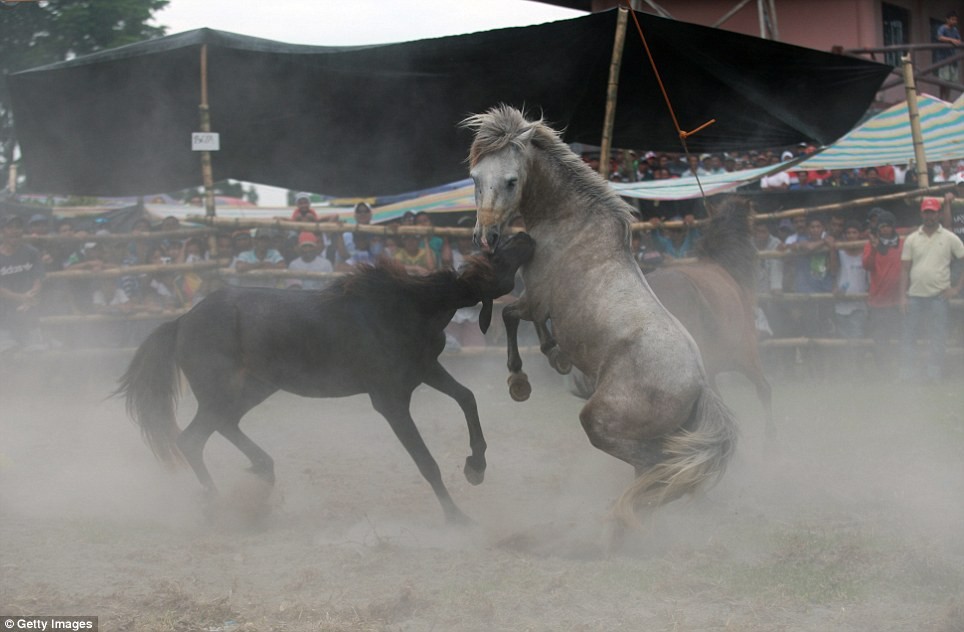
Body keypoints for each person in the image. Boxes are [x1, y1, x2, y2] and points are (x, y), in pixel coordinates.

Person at [898, 197, 964, 381]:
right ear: (921, 214)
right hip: (915, 295)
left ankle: (934, 372)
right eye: (927, 212)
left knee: (938, 336)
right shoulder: (912, 239)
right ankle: (907, 372)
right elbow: (904, 269)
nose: (930, 216)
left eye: (933, 212)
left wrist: (956, 288)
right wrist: (902, 296)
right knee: (908, 335)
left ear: (939, 214)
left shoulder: (950, 237)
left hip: (939, 296)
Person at [862, 210, 903, 375]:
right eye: (882, 226)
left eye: (888, 226)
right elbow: (867, 265)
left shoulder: (902, 243)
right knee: (880, 339)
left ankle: (900, 369)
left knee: (900, 337)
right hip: (878, 301)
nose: (885, 229)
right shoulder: (871, 244)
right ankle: (883, 371)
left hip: (897, 300)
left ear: (894, 227)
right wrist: (873, 248)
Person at [0, 215, 45, 352]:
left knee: (34, 354)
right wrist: (20, 297)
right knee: (6, 355)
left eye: (18, 227)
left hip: (28, 314)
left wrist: (31, 296)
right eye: (10, 227)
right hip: (3, 315)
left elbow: (38, 278)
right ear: (2, 231)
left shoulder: (31, 252)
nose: (15, 231)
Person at [830, 220, 869, 341]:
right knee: (842, 340)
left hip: (859, 305)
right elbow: (833, 271)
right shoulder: (840, 252)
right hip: (841, 303)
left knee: (856, 338)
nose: (851, 235)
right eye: (848, 233)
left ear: (860, 235)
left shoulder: (866, 253)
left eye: (854, 232)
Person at [752, 220, 784, 338]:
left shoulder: (776, 243)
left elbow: (777, 266)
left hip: (771, 291)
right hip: (754, 290)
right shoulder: (749, 244)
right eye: (758, 232)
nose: (760, 235)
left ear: (769, 232)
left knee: (774, 322)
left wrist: (776, 287)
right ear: (754, 233)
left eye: (763, 232)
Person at [935, 11, 961, 101]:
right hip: (943, 58)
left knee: (950, 80)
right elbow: (939, 37)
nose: (954, 22)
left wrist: (956, 41)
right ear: (947, 19)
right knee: (943, 80)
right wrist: (951, 40)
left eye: (955, 20)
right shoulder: (943, 28)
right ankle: (941, 98)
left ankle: (947, 99)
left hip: (952, 59)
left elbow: (958, 40)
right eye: (952, 19)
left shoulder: (955, 30)